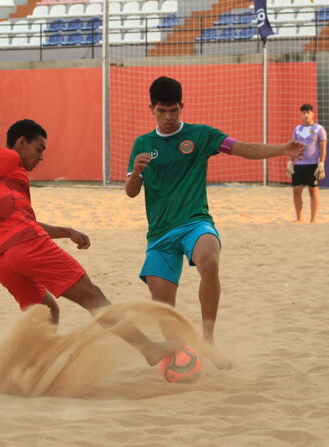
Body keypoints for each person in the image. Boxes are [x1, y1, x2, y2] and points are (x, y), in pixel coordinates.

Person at [0, 119, 180, 366]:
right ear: (21, 142)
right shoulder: (9, 157)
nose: (41, 157)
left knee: (46, 313)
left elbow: (22, 223)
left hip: (1, 259)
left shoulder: (3, 183)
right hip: (24, 245)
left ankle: (31, 369)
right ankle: (149, 348)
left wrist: (68, 232)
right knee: (93, 296)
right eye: (39, 148)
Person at [125, 76, 305, 354]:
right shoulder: (142, 143)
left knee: (209, 260)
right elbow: (131, 192)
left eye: (173, 110)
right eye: (162, 111)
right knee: (162, 306)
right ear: (152, 109)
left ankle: (207, 338)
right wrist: (136, 172)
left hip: (195, 222)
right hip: (160, 234)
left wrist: (282, 150)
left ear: (182, 106)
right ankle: (179, 355)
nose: (168, 117)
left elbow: (243, 148)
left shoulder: (201, 135)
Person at [286, 104, 328, 223]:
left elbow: (323, 148)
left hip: (313, 164)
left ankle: (313, 219)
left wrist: (321, 164)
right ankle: (299, 218)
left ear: (312, 114)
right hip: (299, 164)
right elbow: (292, 147)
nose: (305, 115)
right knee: (296, 190)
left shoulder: (319, 129)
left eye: (307, 113)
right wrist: (290, 162)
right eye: (303, 113)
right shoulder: (297, 129)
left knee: (313, 190)